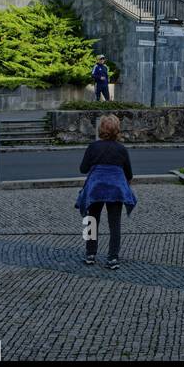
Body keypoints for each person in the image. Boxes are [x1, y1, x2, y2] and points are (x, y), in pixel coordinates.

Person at [76, 115, 137, 270]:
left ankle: (90, 254)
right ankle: (113, 257)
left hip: (96, 189)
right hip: (115, 190)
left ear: (100, 129)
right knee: (114, 224)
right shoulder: (121, 149)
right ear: (117, 131)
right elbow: (129, 174)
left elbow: (83, 169)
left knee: (91, 220)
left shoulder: (93, 147)